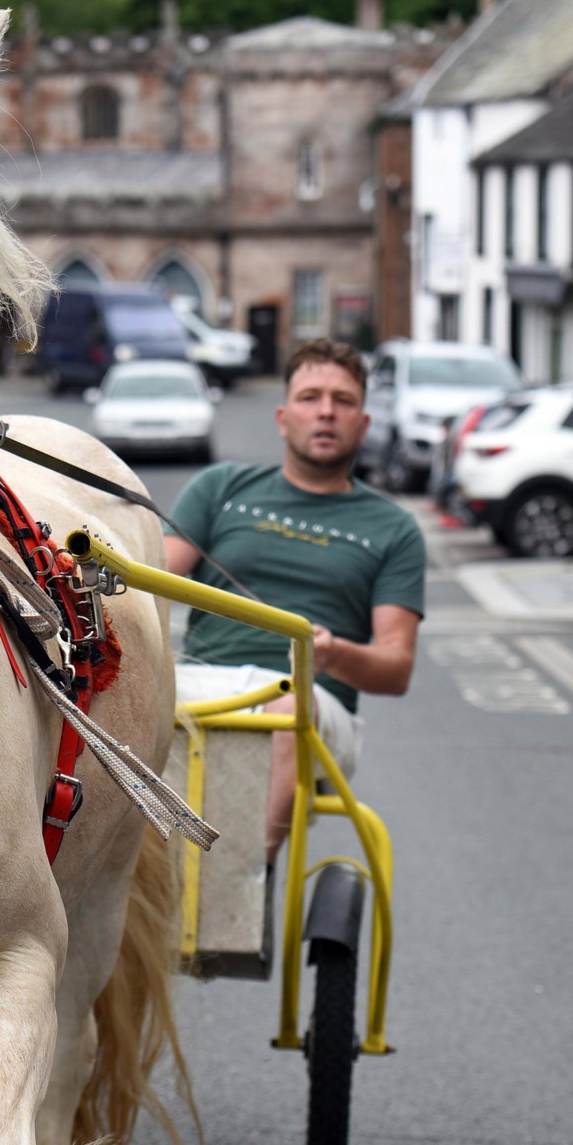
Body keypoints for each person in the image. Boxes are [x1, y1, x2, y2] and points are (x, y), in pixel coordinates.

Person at [164, 337, 426, 861]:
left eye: (343, 400)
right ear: (283, 418)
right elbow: (152, 579)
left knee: (285, 707)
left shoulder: (394, 528)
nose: (326, 411)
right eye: (310, 397)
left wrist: (334, 655)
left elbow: (395, 668)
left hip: (311, 702)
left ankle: (237, 886)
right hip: (201, 683)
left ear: (364, 424)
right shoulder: (221, 488)